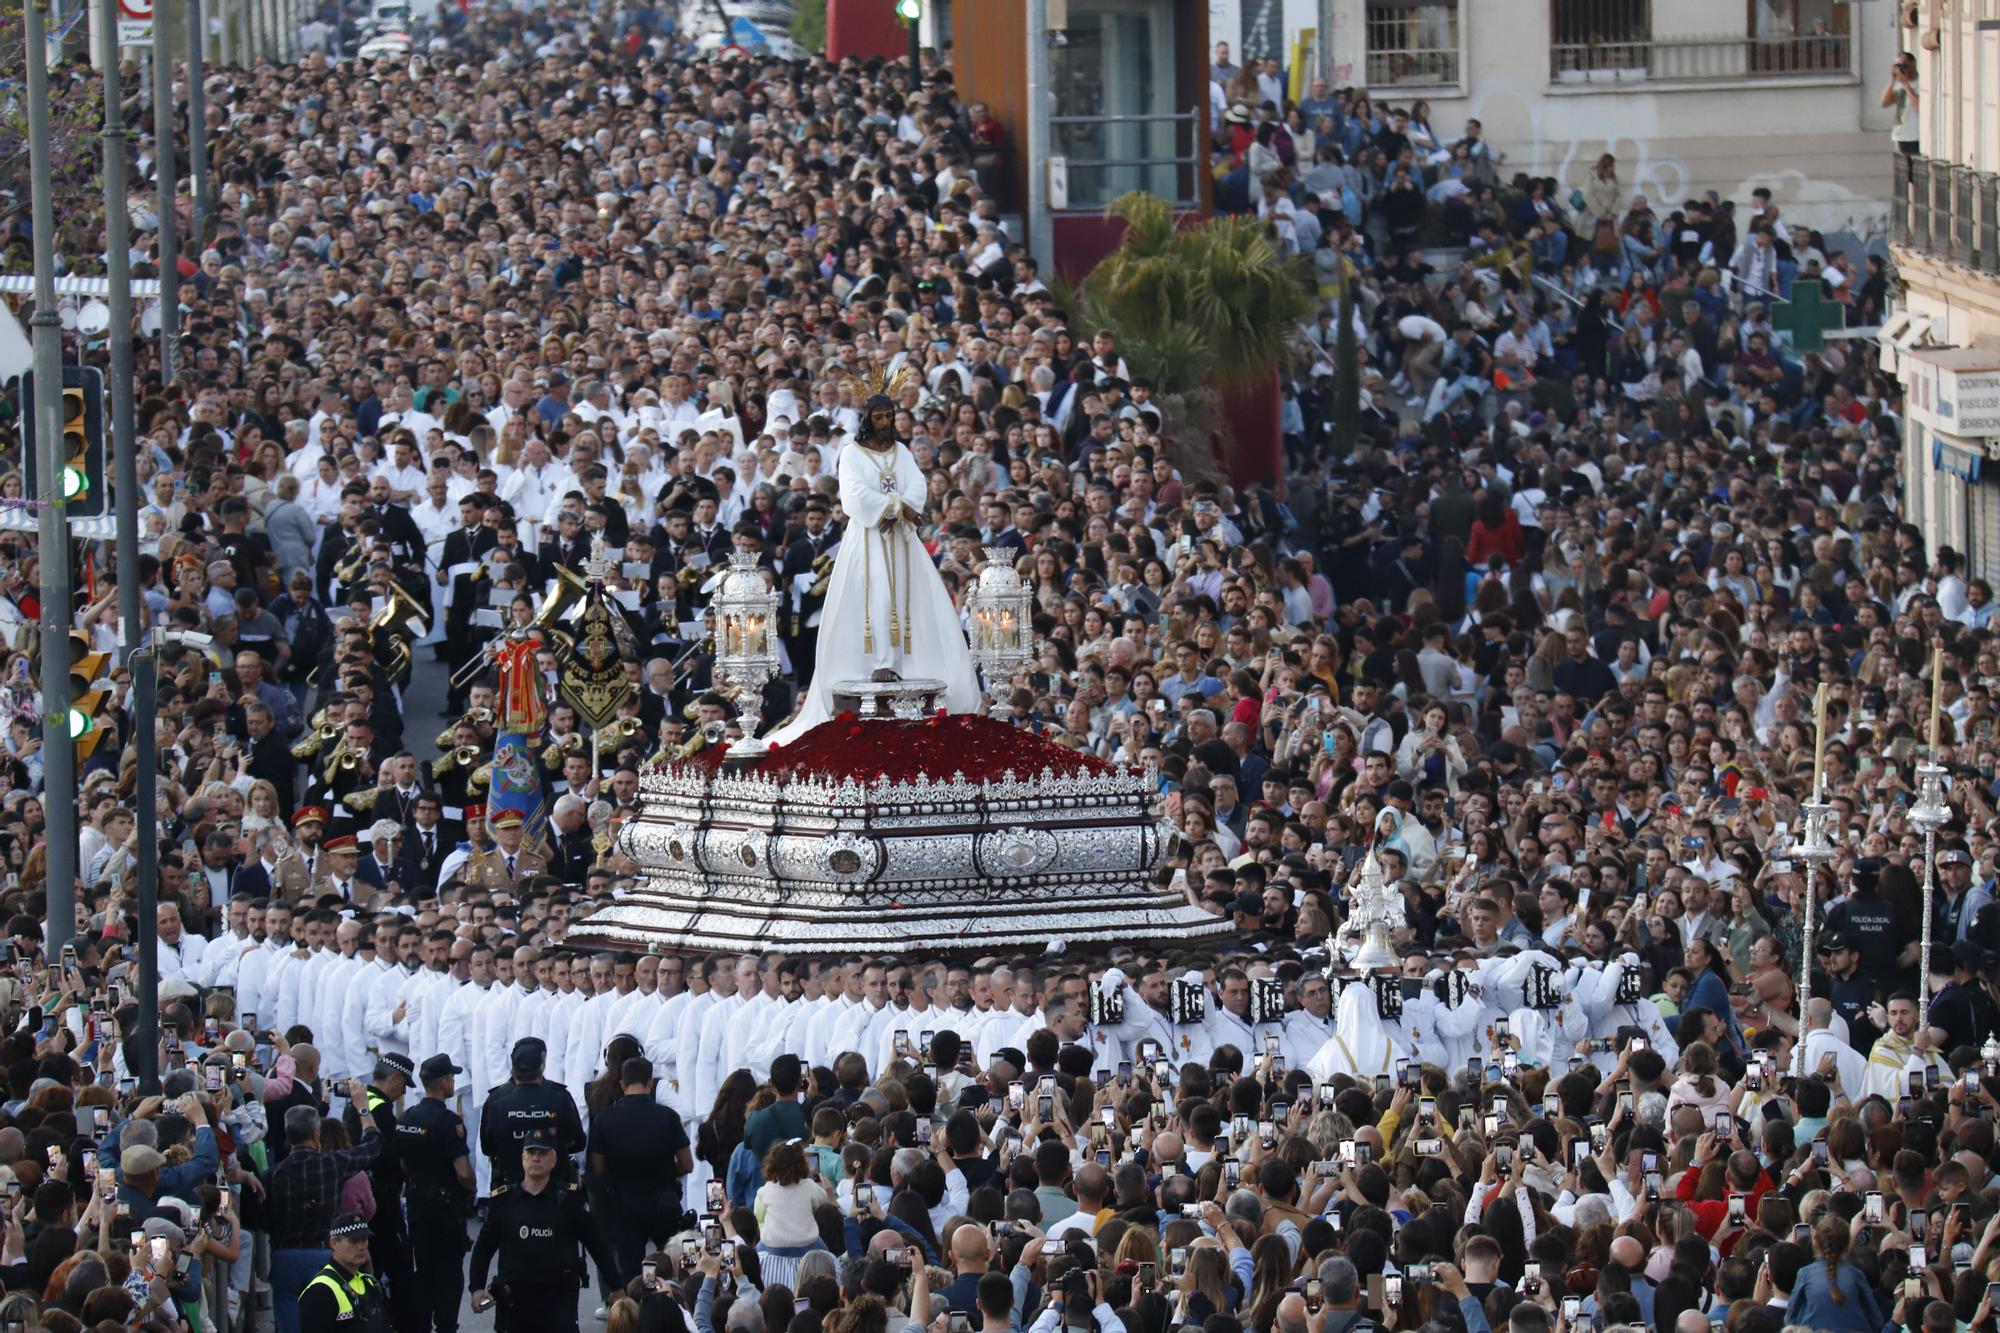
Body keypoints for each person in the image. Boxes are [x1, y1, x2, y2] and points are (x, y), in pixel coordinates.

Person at [767, 388, 982, 744]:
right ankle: (875, 662)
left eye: (890, 416)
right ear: (868, 419)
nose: (885, 423)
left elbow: (917, 488)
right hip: (867, 539)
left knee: (911, 600)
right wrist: (894, 508)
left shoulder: (902, 452)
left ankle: (908, 663)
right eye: (879, 416)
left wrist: (896, 507)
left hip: (902, 541)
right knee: (875, 597)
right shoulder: (851, 453)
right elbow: (853, 494)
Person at [470, 1129, 618, 1333]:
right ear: (523, 1158)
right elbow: (484, 1248)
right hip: (514, 1301)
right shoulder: (505, 1201)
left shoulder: (568, 1200)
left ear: (553, 1160)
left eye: (542, 1154)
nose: (536, 1159)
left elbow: (597, 1245)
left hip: (558, 1301)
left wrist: (616, 1288)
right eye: (531, 1153)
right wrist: (476, 1288)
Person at [584, 1055, 692, 1290]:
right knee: (671, 1263)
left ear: (621, 1085)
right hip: (663, 1200)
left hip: (623, 1205)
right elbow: (687, 1164)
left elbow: (599, 1168)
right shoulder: (668, 1117)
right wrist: (665, 1170)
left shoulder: (604, 1121)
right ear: (650, 1083)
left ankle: (636, 1312)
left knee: (630, 1271)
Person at [399, 1053, 477, 1333]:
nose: (453, 1081)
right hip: (445, 1211)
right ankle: (445, 1326)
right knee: (448, 1273)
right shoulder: (448, 1122)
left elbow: (403, 1163)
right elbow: (464, 1172)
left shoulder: (407, 1117)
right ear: (443, 1083)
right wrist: (471, 1190)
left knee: (424, 1270)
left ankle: (421, 1324)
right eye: (452, 1077)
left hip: (418, 1206)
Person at [299, 1212, 390, 1333]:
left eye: (364, 1239)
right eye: (353, 1241)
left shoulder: (370, 1283)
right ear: (334, 1243)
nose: (361, 1247)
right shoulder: (321, 1290)